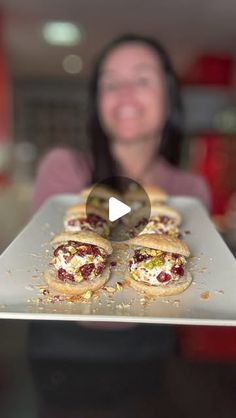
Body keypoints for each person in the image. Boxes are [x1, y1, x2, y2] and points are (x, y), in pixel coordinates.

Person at [29, 34, 211, 416]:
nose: (125, 93)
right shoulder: (62, 168)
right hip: (63, 343)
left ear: (170, 96)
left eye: (142, 79)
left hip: (152, 343)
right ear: (97, 102)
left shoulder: (189, 190)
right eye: (111, 83)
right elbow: (85, 234)